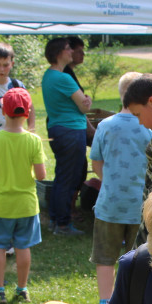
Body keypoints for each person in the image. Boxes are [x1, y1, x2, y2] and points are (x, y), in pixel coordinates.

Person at [88, 72, 152, 304]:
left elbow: (96, 163)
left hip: (110, 205)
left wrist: (112, 181)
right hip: (141, 205)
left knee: (105, 258)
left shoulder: (105, 125)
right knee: (138, 258)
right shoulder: (149, 126)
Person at [0, 88, 47, 304]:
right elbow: (42, 174)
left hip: (1, 205)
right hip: (26, 205)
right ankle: (22, 288)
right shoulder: (34, 140)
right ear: (27, 112)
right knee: (22, 247)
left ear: (3, 110)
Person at [42, 37, 92, 236]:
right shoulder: (64, 78)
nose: (71, 52)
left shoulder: (49, 76)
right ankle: (62, 224)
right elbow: (83, 105)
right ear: (58, 53)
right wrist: (85, 100)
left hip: (58, 129)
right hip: (71, 131)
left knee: (62, 176)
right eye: (67, 49)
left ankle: (56, 219)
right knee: (69, 179)